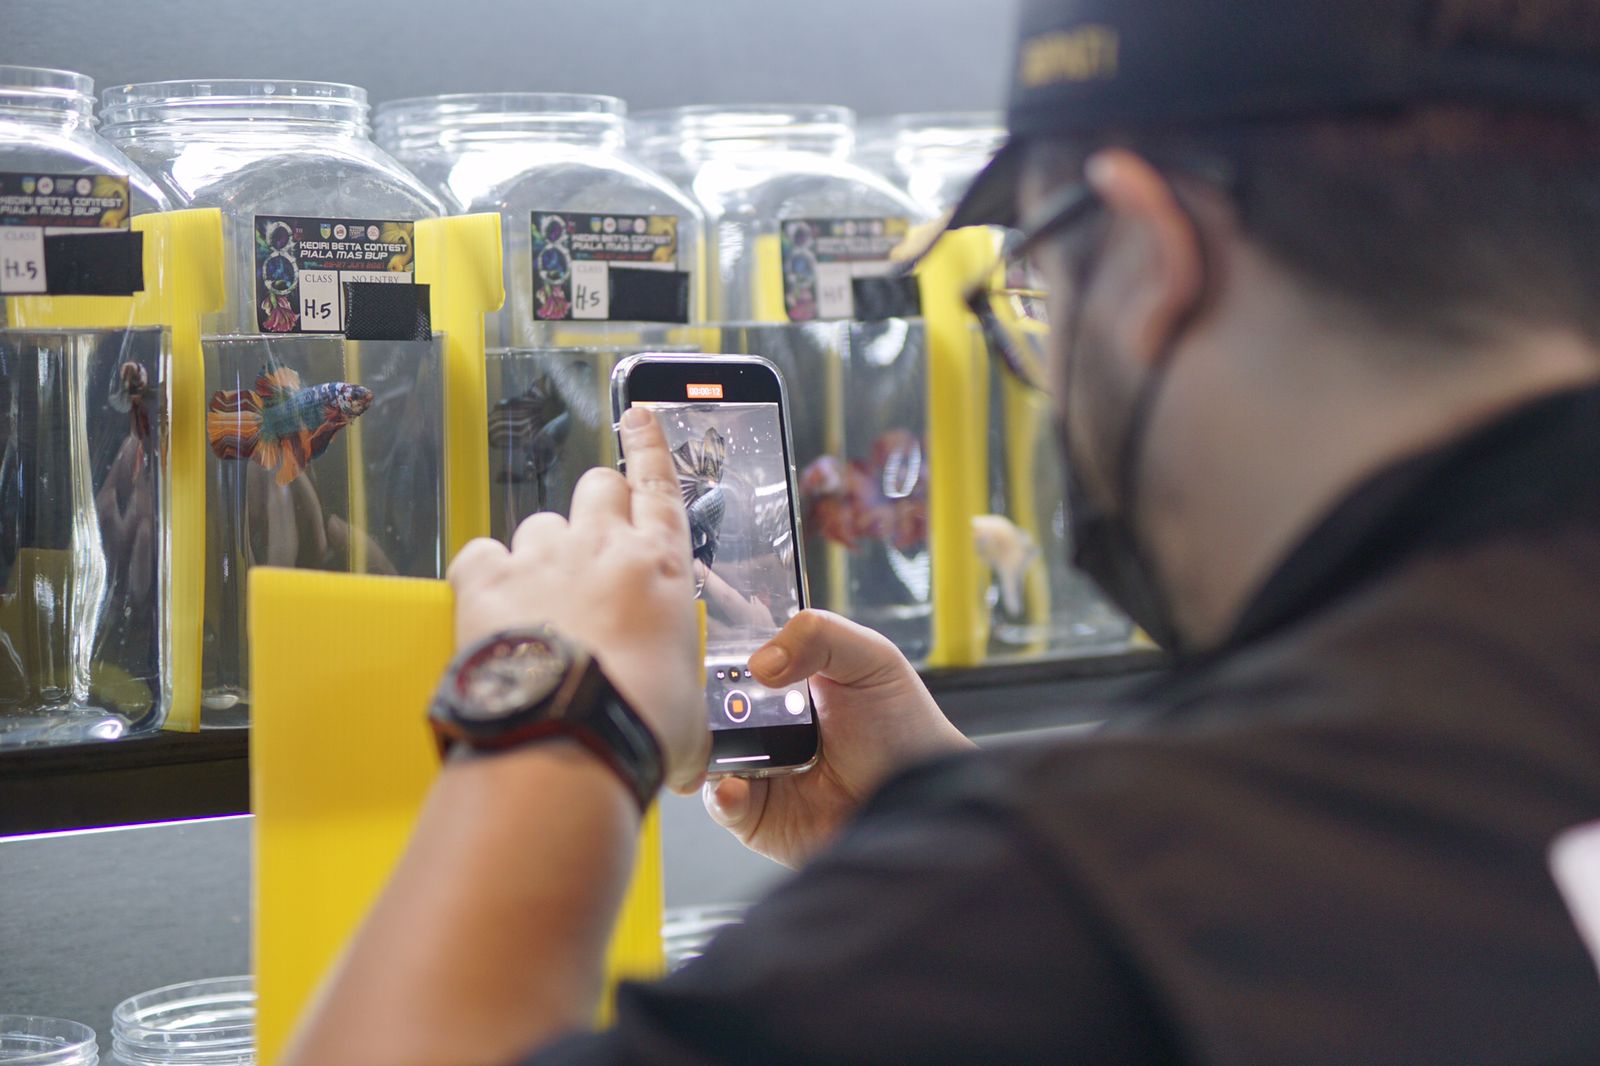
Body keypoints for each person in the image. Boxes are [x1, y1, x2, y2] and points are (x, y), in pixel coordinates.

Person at [282, 2, 1600, 1062]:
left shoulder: (1080, 903)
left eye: (1038, 291)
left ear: (1154, 258)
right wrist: (956, 825)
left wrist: (556, 718)